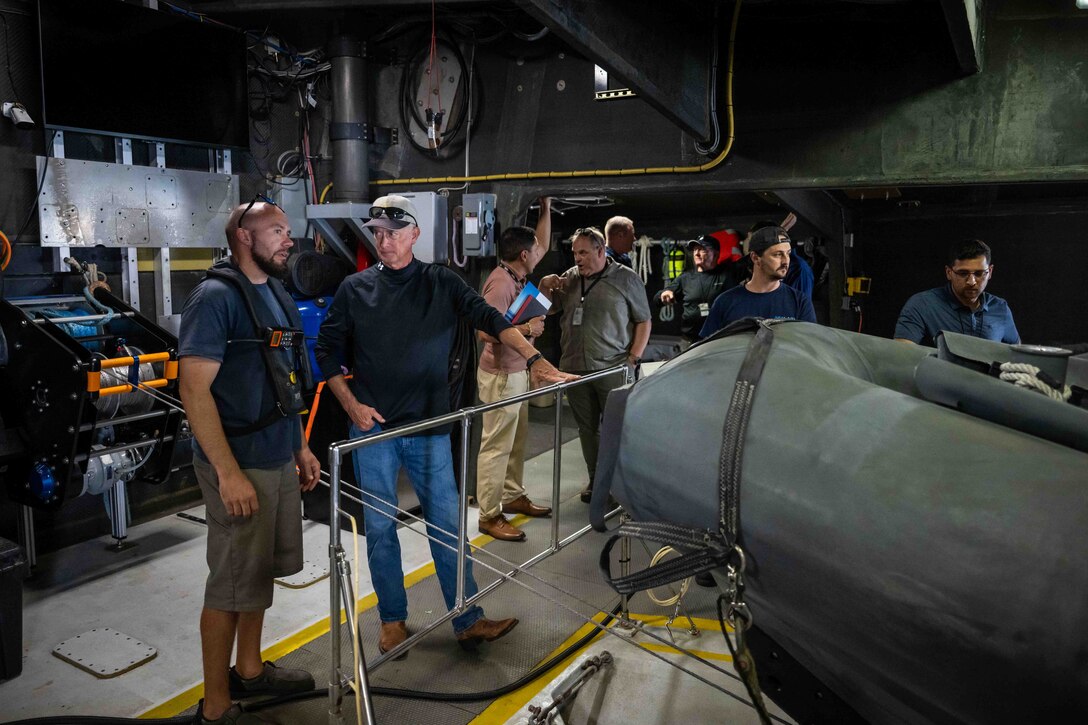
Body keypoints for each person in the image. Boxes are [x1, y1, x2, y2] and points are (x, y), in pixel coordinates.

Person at [314, 194, 576, 656]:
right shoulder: (355, 289)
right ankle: (392, 620)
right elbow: (326, 352)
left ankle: (467, 617)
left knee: (448, 525)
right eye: (377, 233)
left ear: (415, 235)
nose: (384, 241)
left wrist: (535, 359)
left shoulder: (441, 282)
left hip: (430, 428)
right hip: (374, 430)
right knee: (379, 529)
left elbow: (491, 318)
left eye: (393, 232)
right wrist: (351, 406)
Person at [179, 197, 321, 725]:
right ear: (243, 235)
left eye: (288, 231)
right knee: (231, 581)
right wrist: (228, 472)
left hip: (277, 454)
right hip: (237, 463)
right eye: (277, 231)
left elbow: (283, 376)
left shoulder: (276, 292)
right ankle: (216, 707)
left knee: (257, 575)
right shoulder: (215, 299)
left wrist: (299, 446)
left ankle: (251, 672)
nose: (289, 240)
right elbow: (194, 391)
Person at [544, 227, 651, 502]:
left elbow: (644, 320)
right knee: (587, 428)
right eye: (574, 253)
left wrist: (633, 358)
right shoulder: (568, 278)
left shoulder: (626, 279)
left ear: (600, 251)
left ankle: (622, 481)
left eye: (583, 252)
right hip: (574, 367)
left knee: (618, 427)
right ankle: (596, 480)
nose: (577, 258)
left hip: (613, 366)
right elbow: (546, 308)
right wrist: (544, 286)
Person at [475, 199, 555, 543]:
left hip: (516, 372)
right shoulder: (501, 283)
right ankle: (489, 514)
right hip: (501, 376)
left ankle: (511, 494)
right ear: (523, 255)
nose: (540, 252)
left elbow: (544, 242)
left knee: (515, 440)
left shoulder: (517, 275)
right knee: (496, 446)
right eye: (534, 251)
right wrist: (527, 331)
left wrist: (546, 209)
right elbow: (483, 331)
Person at [894, 239, 1019, 346]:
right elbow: (903, 356)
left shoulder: (1000, 308)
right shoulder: (921, 305)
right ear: (949, 272)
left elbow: (1017, 359)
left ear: (990, 272)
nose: (971, 281)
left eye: (979, 273)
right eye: (963, 273)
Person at [700, 225, 817, 338]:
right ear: (755, 258)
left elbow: (809, 348)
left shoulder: (799, 302)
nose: (786, 261)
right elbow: (707, 349)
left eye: (788, 254)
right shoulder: (725, 302)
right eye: (777, 254)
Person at [655, 235, 736, 350]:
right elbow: (657, 298)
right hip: (690, 342)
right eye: (695, 250)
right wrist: (664, 294)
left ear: (716, 254)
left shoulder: (727, 274)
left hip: (720, 340)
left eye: (702, 249)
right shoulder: (685, 278)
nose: (696, 254)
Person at [747, 219, 814, 301]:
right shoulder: (758, 263)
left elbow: (798, 307)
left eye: (752, 241)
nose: (749, 246)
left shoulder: (798, 269)